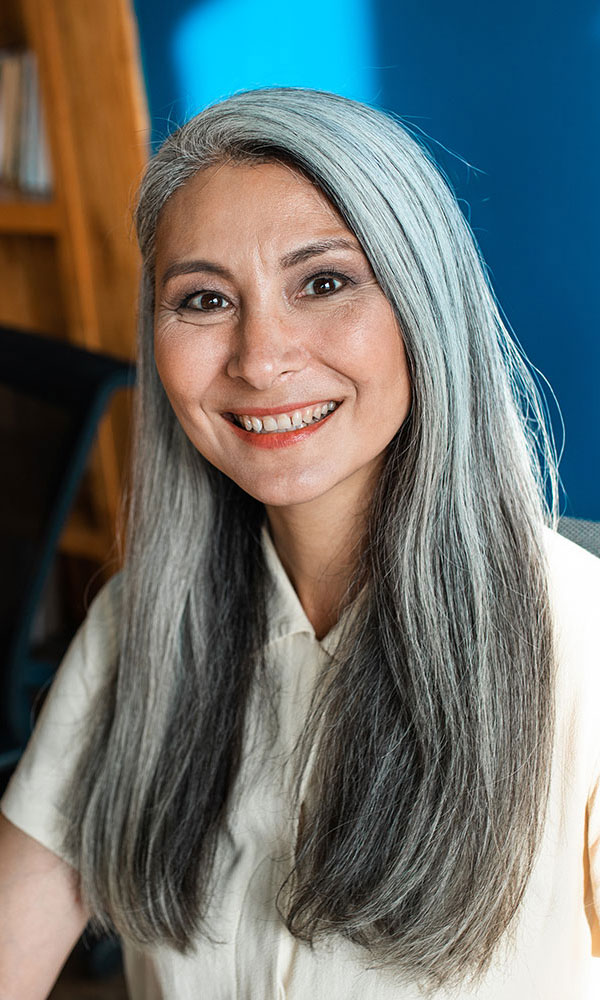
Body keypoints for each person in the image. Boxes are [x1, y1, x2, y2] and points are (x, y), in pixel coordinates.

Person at [0, 87, 599, 999]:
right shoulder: (141, 624)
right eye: (204, 299)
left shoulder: (584, 653)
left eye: (323, 283)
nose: (261, 358)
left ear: (426, 305)